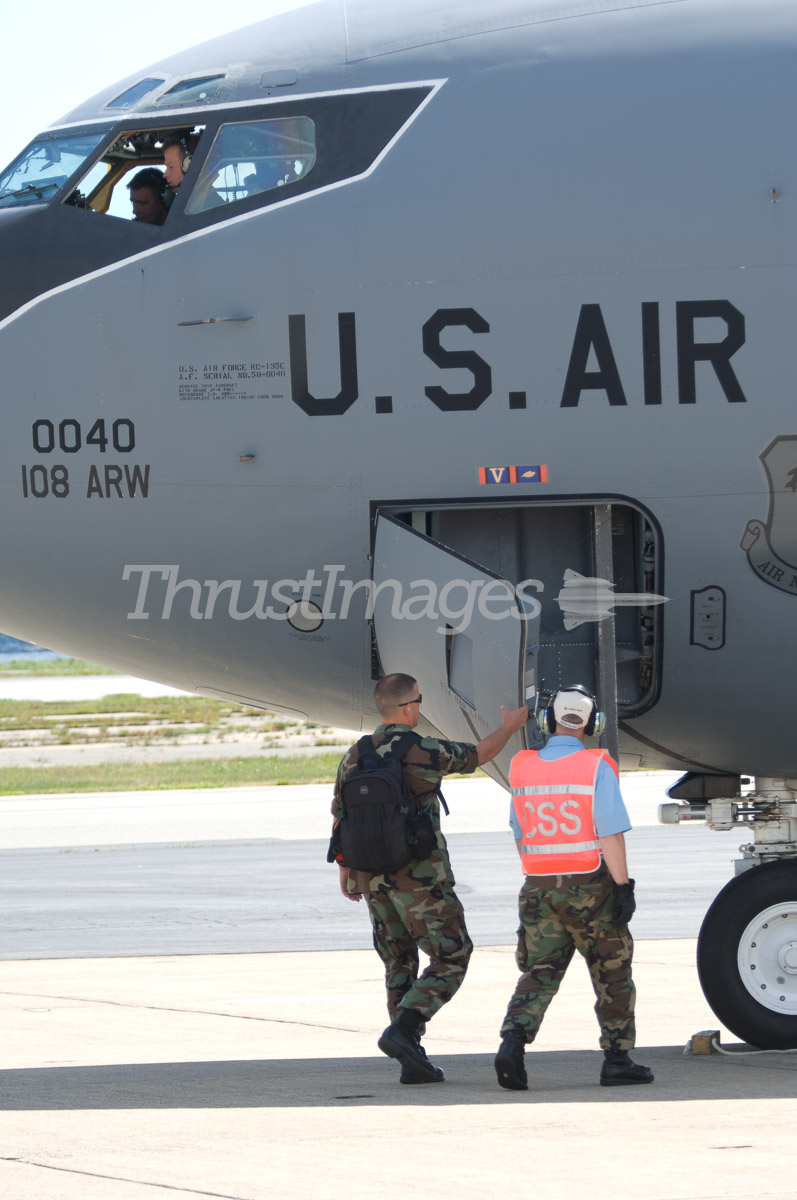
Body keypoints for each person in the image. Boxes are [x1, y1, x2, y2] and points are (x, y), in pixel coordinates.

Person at [332, 673, 528, 1085]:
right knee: (452, 954)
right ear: (408, 707)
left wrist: (346, 870)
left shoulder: (355, 753)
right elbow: (478, 755)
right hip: (420, 876)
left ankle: (411, 1059)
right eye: (419, 701)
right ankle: (405, 1031)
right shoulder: (420, 747)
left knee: (398, 960)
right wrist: (510, 727)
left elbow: (341, 814)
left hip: (372, 877)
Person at [494, 684, 654, 1090]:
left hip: (537, 886)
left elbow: (519, 833)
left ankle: (513, 1043)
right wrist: (623, 887)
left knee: (539, 971)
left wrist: (540, 877)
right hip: (589, 888)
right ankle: (617, 1058)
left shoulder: (522, 766)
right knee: (611, 971)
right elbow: (610, 834)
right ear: (592, 724)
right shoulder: (595, 765)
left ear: (549, 721)